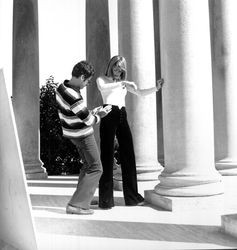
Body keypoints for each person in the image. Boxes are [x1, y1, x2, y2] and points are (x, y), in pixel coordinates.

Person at [96, 55, 164, 209]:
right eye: (115, 66)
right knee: (106, 156)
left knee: (128, 154)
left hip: (121, 114)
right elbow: (103, 88)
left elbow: (140, 93)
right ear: (111, 65)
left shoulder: (122, 84)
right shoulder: (102, 79)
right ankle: (105, 200)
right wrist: (123, 83)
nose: (117, 69)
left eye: (120, 67)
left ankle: (133, 197)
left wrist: (156, 88)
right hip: (108, 113)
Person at [56, 60, 112, 215]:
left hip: (72, 134)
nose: (87, 84)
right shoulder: (74, 96)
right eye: (87, 81)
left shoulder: (61, 87)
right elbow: (89, 121)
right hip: (83, 135)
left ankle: (82, 199)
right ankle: (77, 205)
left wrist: (90, 111)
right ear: (81, 77)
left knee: (87, 166)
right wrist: (99, 115)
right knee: (96, 167)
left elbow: (75, 112)